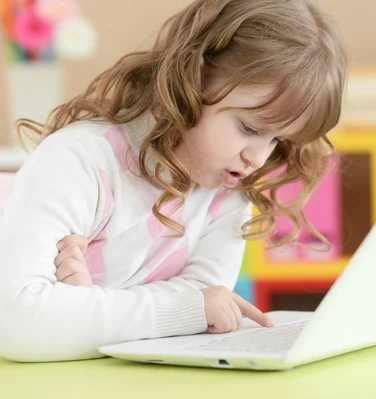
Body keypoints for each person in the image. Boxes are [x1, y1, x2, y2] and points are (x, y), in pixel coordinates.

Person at [0, 0, 346, 362]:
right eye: (249, 128)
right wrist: (178, 310)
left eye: (277, 140)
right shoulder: (82, 160)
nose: (258, 159)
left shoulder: (227, 193)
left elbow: (204, 305)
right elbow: (16, 321)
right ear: (194, 78)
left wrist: (85, 309)